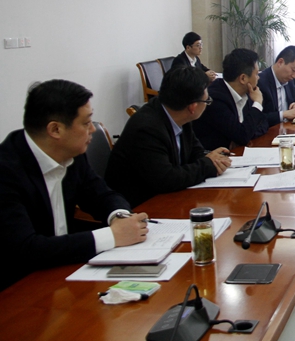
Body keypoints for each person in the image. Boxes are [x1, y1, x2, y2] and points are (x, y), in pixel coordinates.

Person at [0, 80, 148, 291]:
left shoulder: (71, 153)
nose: (93, 129)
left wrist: (120, 217)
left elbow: (101, 195)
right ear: (55, 129)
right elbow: (26, 249)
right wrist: (112, 236)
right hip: (20, 287)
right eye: (86, 123)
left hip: (65, 273)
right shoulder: (6, 171)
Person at [105, 66, 231, 208]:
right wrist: (208, 165)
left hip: (169, 197)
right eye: (207, 101)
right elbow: (166, 179)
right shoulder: (146, 129)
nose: (208, 105)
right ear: (192, 107)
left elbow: (195, 152)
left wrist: (213, 159)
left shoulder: (179, 115)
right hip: (140, 206)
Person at [192, 48, 277, 149]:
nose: (258, 78)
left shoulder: (247, 92)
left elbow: (264, 124)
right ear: (243, 78)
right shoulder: (216, 98)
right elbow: (243, 135)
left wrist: (244, 136)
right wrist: (258, 103)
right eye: (256, 74)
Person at [257, 45, 295, 123]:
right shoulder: (260, 82)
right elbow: (257, 118)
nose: (294, 76)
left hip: (288, 128)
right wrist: (283, 114)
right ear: (280, 62)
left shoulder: (289, 82)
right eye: (294, 70)